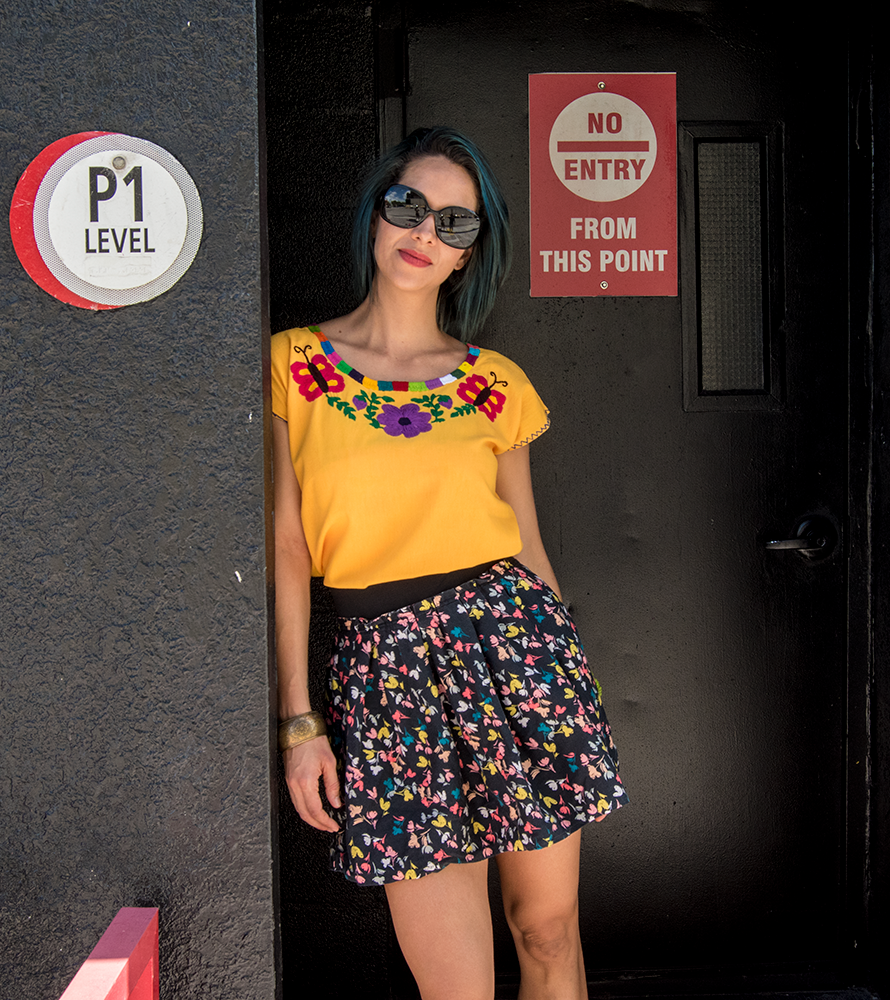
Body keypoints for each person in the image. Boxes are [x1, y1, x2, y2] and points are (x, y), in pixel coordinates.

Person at [271, 126, 627, 1000]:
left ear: (470, 254)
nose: (424, 232)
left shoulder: (494, 383)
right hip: (385, 673)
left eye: (455, 224)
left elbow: (529, 545)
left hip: (514, 650)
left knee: (546, 932)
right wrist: (299, 720)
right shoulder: (290, 366)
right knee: (454, 984)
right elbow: (285, 546)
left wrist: (566, 673)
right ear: (374, 218)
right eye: (407, 206)